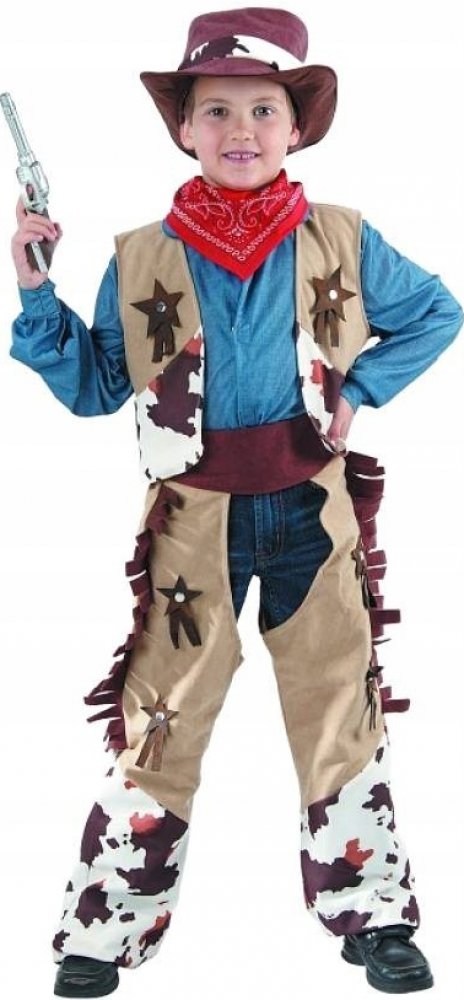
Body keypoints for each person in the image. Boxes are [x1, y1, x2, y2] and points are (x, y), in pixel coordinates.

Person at [9, 7, 463, 997]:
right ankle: (105, 925)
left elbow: (437, 312)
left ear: (297, 127)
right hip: (193, 524)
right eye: (216, 110)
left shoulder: (342, 236)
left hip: (310, 512)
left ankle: (374, 917)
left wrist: (360, 389)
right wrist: (37, 295)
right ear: (184, 127)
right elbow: (97, 387)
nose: (241, 129)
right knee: (160, 715)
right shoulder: (139, 255)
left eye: (263, 109)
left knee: (339, 705)